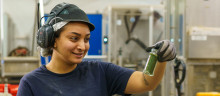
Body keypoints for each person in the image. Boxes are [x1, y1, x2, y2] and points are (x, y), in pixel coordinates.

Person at [17, 2, 176, 96]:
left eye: (86, 39)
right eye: (74, 38)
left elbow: (146, 82)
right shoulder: (32, 83)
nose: (82, 46)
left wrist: (159, 58)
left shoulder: (101, 72)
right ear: (52, 40)